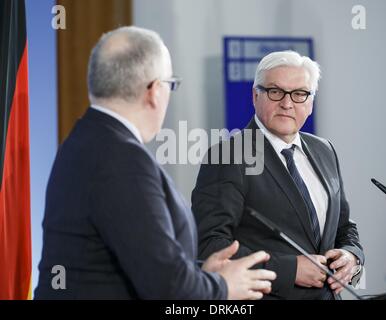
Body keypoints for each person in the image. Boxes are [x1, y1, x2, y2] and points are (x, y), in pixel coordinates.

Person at [34, 26, 276, 300]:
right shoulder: (121, 159)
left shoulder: (85, 139)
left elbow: (136, 258)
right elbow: (169, 289)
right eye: (171, 84)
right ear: (153, 90)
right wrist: (223, 287)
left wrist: (200, 275)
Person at [192, 50, 364, 300]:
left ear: (311, 101)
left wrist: (352, 256)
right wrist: (289, 270)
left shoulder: (325, 150)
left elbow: (344, 226)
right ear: (255, 96)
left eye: (299, 94)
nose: (287, 103)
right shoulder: (229, 155)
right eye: (275, 91)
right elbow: (209, 246)